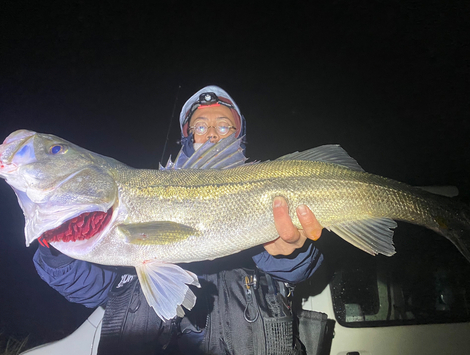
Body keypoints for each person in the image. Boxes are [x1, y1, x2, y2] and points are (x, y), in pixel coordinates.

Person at [33, 85, 325, 354]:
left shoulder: (269, 187)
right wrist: (56, 248)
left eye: (224, 125)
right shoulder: (134, 199)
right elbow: (91, 288)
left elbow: (299, 272)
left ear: (239, 137)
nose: (212, 133)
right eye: (201, 126)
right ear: (188, 137)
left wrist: (291, 252)